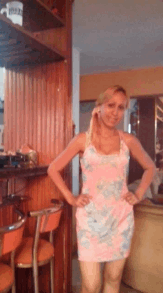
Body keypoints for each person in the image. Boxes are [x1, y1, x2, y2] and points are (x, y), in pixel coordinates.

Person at [47, 85, 156, 293]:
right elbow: (53, 168)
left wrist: (139, 193)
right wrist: (70, 198)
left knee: (113, 279)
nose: (115, 112)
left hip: (121, 219)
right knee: (91, 284)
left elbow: (150, 167)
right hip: (90, 221)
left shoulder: (128, 140)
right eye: (111, 105)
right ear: (99, 107)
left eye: (121, 107)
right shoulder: (82, 140)